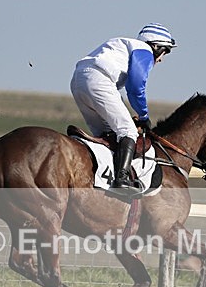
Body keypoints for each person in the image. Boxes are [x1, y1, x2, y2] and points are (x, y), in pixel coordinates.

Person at [70, 23, 176, 198]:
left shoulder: (125, 45)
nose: (162, 58)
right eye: (165, 51)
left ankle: (100, 177)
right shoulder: (144, 50)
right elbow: (135, 87)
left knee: (107, 135)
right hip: (98, 80)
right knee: (128, 131)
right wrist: (143, 115)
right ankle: (122, 178)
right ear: (156, 46)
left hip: (78, 81)